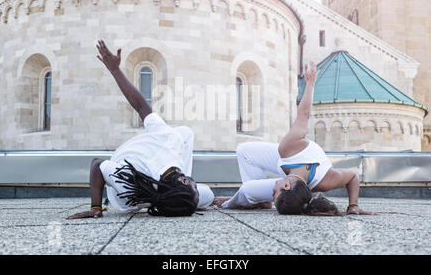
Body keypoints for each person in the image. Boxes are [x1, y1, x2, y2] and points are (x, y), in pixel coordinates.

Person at [67, 40, 214, 219]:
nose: (196, 186)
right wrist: (114, 69)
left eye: (193, 187)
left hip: (129, 196)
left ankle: (177, 199)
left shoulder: (127, 179)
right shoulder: (169, 140)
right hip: (154, 184)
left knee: (184, 137)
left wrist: (96, 207)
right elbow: (140, 107)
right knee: (208, 194)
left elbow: (97, 164)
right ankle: (177, 199)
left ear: (184, 180)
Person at [214, 61, 377, 216]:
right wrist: (311, 83)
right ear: (285, 185)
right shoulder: (296, 153)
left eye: (273, 197)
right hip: (292, 159)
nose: (273, 193)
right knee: (244, 151)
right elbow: (352, 176)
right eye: (274, 194)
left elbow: (353, 177)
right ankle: (260, 202)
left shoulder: (299, 180)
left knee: (247, 190)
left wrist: (230, 202)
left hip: (294, 172)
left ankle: (251, 200)